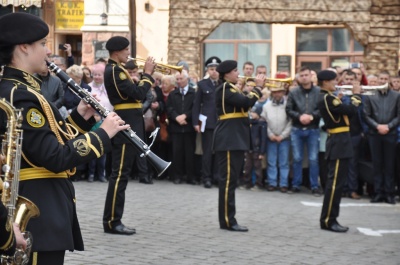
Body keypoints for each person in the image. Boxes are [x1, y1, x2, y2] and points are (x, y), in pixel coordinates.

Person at [0, 12, 128, 264]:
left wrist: (79, 117)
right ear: (24, 47)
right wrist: (102, 133)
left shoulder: (23, 90)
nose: (48, 52)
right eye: (43, 44)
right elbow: (54, 157)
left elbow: (46, 141)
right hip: (38, 208)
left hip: (42, 204)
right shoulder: (22, 94)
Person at [102, 36, 156, 235]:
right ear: (117, 52)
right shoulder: (116, 71)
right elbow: (139, 94)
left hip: (129, 124)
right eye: (126, 50)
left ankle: (114, 219)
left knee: (122, 174)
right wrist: (148, 74)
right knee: (120, 175)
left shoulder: (118, 70)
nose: (128, 54)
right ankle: (112, 221)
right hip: (125, 126)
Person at [213, 60, 264, 232]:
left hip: (233, 138)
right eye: (235, 70)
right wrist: (258, 88)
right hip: (228, 139)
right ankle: (228, 220)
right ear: (226, 74)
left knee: (231, 181)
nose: (238, 73)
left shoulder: (231, 88)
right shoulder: (225, 89)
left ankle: (228, 219)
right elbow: (246, 103)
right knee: (228, 181)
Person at [317, 70, 362, 233]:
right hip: (338, 143)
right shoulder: (327, 98)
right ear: (326, 82)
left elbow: (339, 112)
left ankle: (329, 218)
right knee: (335, 184)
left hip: (340, 141)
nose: (336, 83)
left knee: (336, 183)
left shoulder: (329, 98)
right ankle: (329, 220)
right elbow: (351, 111)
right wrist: (357, 96)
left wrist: (341, 101)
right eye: (334, 80)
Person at [363, 71, 400, 205]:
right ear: (377, 80)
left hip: (390, 134)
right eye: (381, 78)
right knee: (377, 164)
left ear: (389, 80)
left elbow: (399, 115)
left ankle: (389, 193)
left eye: (385, 78)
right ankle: (378, 192)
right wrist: (377, 126)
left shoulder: (396, 96)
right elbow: (366, 115)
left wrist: (388, 126)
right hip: (375, 134)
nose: (383, 80)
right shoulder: (370, 96)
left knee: (389, 165)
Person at [285, 66, 321, 195]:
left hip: (313, 129)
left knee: (313, 159)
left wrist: (311, 116)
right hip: (297, 129)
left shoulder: (318, 91)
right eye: (302, 75)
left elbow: (321, 108)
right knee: (297, 158)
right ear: (299, 77)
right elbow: (288, 109)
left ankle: (314, 186)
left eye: (306, 75)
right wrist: (299, 116)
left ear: (311, 76)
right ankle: (296, 185)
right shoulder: (294, 92)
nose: (304, 77)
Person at [192, 56, 221, 188]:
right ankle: (206, 177)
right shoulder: (202, 84)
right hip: (207, 123)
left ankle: (217, 176)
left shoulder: (223, 84)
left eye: (216, 69)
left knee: (219, 152)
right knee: (207, 152)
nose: (214, 71)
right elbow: (197, 105)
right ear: (207, 70)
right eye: (211, 69)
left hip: (221, 123)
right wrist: (195, 122)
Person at [166, 70, 197, 185]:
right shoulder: (173, 94)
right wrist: (177, 117)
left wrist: (185, 116)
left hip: (189, 128)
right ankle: (177, 176)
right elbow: (169, 108)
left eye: (181, 79)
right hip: (176, 128)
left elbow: (195, 108)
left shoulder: (193, 93)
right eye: (177, 79)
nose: (179, 81)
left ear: (187, 79)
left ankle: (190, 177)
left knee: (190, 154)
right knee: (177, 153)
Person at [261, 84, 292, 193]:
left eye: (280, 91)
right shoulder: (266, 106)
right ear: (272, 93)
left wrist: (283, 135)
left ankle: (283, 184)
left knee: (284, 162)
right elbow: (264, 123)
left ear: (283, 92)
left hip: (285, 138)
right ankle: (272, 183)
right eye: (275, 92)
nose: (277, 94)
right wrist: (271, 135)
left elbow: (290, 122)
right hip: (271, 138)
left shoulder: (288, 105)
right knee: (271, 161)